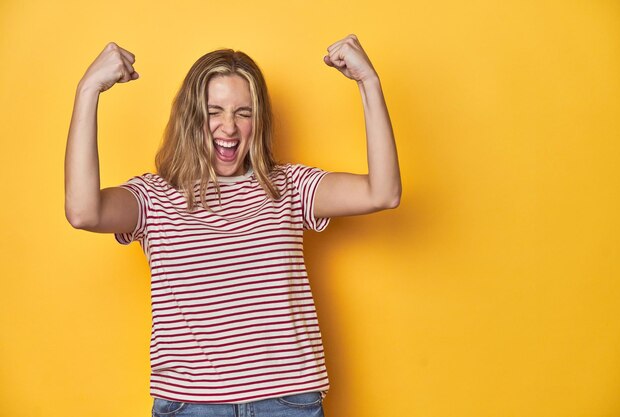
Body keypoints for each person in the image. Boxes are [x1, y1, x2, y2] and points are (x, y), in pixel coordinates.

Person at [65, 34, 401, 417]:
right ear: (191, 116)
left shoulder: (290, 186)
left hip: (287, 401)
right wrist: (88, 89)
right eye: (214, 111)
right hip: (191, 405)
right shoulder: (153, 197)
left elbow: (383, 192)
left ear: (258, 120)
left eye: (244, 112)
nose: (229, 126)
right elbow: (83, 212)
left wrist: (368, 82)